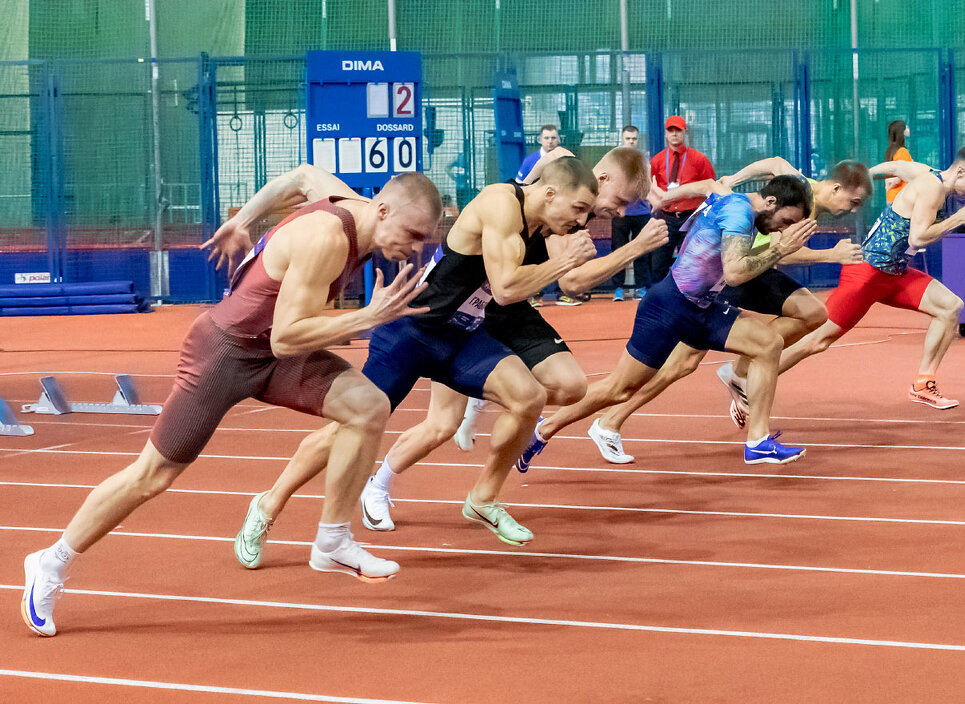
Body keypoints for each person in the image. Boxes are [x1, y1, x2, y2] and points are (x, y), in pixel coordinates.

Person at [21, 166, 443, 637]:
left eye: (424, 239)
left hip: (269, 354)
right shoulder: (328, 237)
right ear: (382, 210)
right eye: (413, 234)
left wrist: (244, 218)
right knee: (151, 476)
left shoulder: (352, 205)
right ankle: (50, 562)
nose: (416, 248)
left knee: (369, 405)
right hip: (225, 351)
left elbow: (302, 177)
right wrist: (367, 317)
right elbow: (287, 337)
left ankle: (332, 540)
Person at [230, 156, 602, 560]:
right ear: (550, 193)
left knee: (528, 397)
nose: (583, 221)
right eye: (579, 208)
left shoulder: (543, 224)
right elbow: (508, 288)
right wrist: (564, 261)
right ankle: (268, 503)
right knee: (345, 430)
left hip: (461, 336)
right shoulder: (501, 203)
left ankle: (483, 499)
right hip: (412, 330)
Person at [360, 147, 666, 532]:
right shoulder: (555, 199)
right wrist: (635, 248)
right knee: (442, 424)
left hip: (504, 304)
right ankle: (378, 484)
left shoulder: (568, 207)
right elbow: (570, 279)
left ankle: (484, 484)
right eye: (619, 201)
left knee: (567, 386)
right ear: (598, 181)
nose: (619, 213)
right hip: (465, 307)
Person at [518, 175, 817, 473]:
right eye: (786, 221)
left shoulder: (736, 204)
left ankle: (758, 441)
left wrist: (666, 197)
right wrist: (780, 248)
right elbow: (736, 272)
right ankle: (543, 429)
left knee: (768, 344)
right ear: (771, 202)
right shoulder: (739, 212)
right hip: (669, 306)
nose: (783, 229)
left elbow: (707, 187)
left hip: (701, 307)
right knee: (618, 389)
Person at [587, 158, 872, 463]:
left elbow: (770, 166)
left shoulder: (796, 187)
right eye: (854, 201)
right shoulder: (796, 198)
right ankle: (609, 421)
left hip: (750, 269)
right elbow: (780, 252)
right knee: (681, 364)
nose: (853, 209)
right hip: (726, 273)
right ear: (836, 187)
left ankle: (741, 371)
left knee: (813, 314)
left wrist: (726, 181)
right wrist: (831, 254)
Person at [774, 145, 965, 411]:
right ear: (960, 171)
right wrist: (957, 219)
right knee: (817, 341)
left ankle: (923, 384)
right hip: (866, 273)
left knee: (950, 307)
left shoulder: (927, 172)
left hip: (894, 274)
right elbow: (918, 238)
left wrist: (863, 177)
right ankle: (751, 382)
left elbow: (895, 168)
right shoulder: (932, 188)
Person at [648, 115, 716, 284]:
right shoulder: (657, 160)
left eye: (678, 130)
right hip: (666, 217)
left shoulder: (699, 159)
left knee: (692, 261)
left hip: (691, 217)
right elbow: (650, 185)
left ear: (685, 132)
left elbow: (710, 188)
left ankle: (690, 297)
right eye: (670, 130)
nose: (674, 134)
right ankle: (657, 296)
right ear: (665, 134)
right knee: (659, 262)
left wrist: (704, 216)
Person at [610, 125, 654, 300]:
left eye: (633, 139)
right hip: (620, 214)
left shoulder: (644, 161)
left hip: (641, 213)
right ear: (622, 139)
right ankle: (619, 289)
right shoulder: (614, 160)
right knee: (618, 251)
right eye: (627, 138)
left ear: (637, 140)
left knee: (641, 251)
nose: (630, 141)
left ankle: (641, 287)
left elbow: (647, 186)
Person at [884, 120, 912, 203]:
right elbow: (904, 173)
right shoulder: (902, 151)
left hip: (891, 196)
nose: (908, 129)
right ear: (901, 132)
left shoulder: (890, 151)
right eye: (905, 127)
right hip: (901, 197)